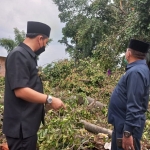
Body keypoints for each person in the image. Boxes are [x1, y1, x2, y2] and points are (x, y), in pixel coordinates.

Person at [3, 21, 65, 150]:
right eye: (45, 42)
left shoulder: (28, 56)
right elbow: (21, 91)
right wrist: (49, 99)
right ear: (40, 38)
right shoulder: (19, 55)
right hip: (21, 129)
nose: (44, 46)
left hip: (27, 128)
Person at [108, 39, 150, 150]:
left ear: (129, 53)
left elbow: (134, 104)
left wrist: (127, 132)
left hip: (126, 128)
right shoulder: (139, 69)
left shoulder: (136, 72)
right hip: (122, 125)